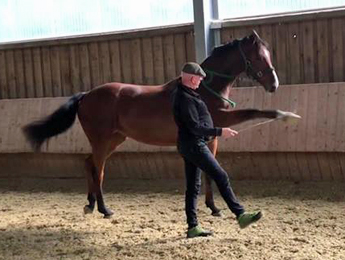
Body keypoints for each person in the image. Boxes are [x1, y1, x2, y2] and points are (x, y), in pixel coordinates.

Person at [172, 62, 262, 238]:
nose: (200, 82)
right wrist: (220, 131)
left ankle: (192, 227)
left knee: (193, 186)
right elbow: (195, 127)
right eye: (199, 79)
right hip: (194, 145)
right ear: (191, 78)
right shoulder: (185, 98)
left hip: (190, 144)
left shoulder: (188, 94)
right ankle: (240, 215)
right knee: (220, 176)